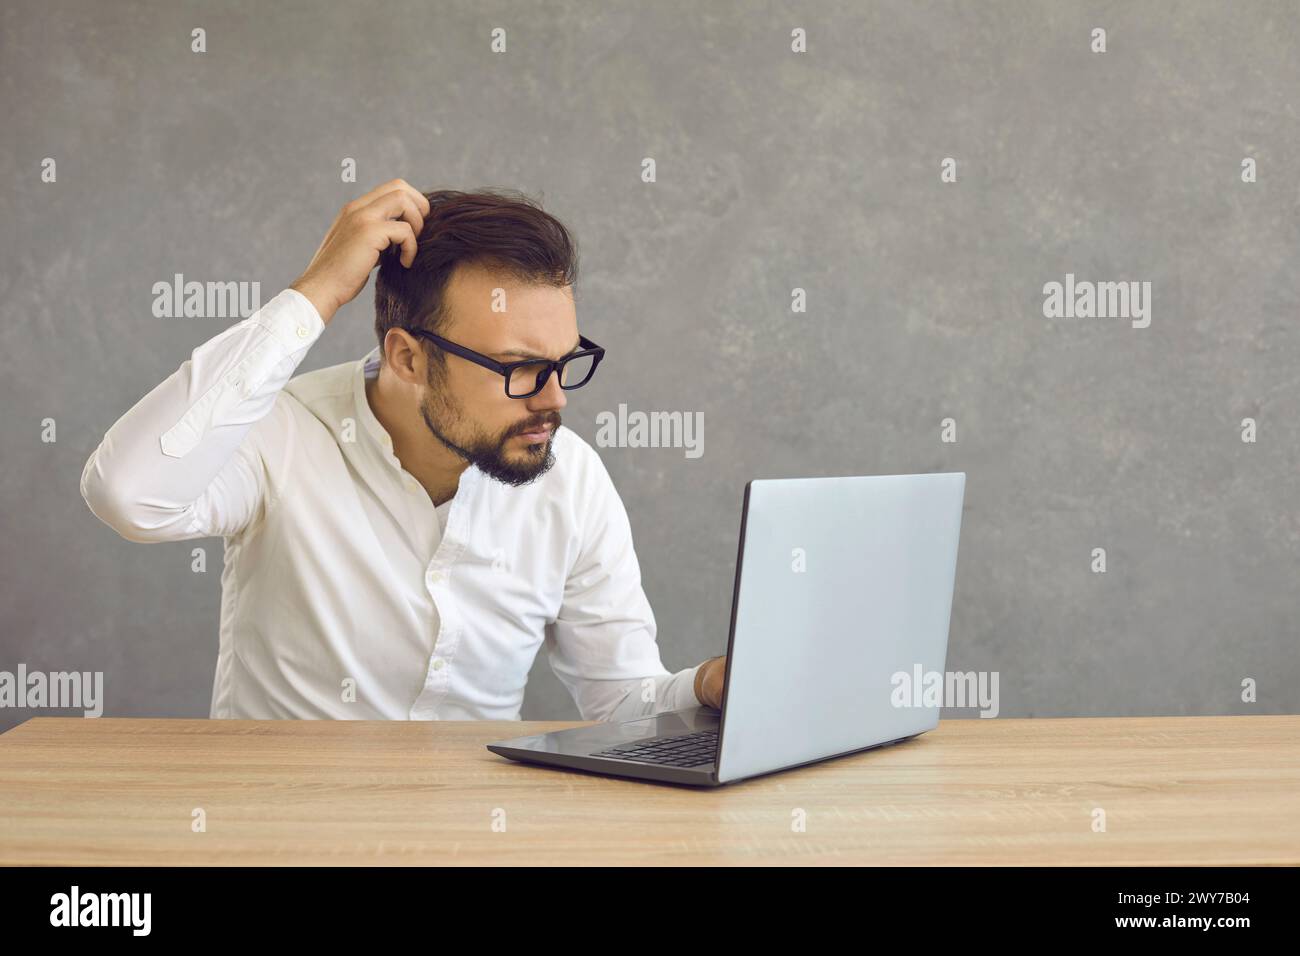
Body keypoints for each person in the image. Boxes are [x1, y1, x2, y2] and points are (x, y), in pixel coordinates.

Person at [81, 179, 726, 721]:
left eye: (565, 362)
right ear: (408, 357)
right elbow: (127, 494)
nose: (554, 400)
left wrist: (706, 687)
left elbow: (618, 702)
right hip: (283, 839)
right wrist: (318, 292)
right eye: (519, 369)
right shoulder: (285, 433)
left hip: (473, 842)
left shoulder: (572, 478)